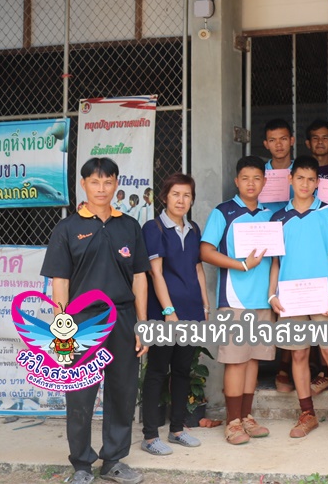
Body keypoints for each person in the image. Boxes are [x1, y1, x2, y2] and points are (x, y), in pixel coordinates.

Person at [41, 157, 150, 484]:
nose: (101, 188)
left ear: (116, 184)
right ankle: (82, 465)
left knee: (123, 390)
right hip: (81, 322)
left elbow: (140, 278)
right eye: (94, 182)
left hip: (123, 317)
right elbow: (60, 281)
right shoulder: (67, 229)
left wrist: (142, 323)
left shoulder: (129, 226)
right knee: (80, 393)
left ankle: (113, 460)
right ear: (84, 185)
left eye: (107, 182)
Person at [268, 156, 328, 441]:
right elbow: (275, 262)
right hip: (290, 298)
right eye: (300, 178)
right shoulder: (278, 218)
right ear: (290, 179)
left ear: (318, 182)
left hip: (322, 296)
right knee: (299, 353)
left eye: (310, 179)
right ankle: (307, 413)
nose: (305, 184)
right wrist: (272, 294)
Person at [199, 155, 276, 446]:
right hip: (234, 299)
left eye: (256, 178)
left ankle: (246, 417)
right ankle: (232, 422)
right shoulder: (224, 212)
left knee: (254, 358)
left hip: (263, 300)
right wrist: (241, 265)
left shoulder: (270, 215)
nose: (251, 183)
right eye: (245, 178)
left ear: (264, 181)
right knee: (235, 361)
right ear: (236, 181)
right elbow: (205, 251)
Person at [140, 174, 207, 457]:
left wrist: (205, 305)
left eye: (187, 195)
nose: (181, 200)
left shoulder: (193, 229)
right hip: (165, 315)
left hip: (192, 313)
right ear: (165, 197)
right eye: (176, 194)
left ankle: (177, 429)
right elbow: (155, 273)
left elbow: (197, 268)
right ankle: (150, 436)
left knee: (182, 370)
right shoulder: (154, 228)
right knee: (157, 371)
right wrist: (169, 312)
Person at [262, 118, 295, 213]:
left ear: (292, 141)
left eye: (283, 139)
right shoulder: (259, 173)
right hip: (266, 222)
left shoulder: (303, 173)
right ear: (266, 144)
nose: (278, 144)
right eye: (272, 140)